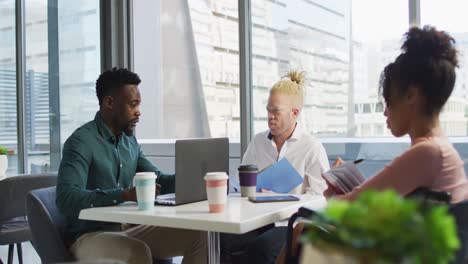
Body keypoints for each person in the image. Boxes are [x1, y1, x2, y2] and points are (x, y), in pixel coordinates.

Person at [276, 25, 468, 264]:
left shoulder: (427, 153)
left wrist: (334, 193)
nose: (385, 112)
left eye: (388, 101)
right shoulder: (440, 149)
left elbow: (349, 208)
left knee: (300, 229)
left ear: (411, 96)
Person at [56, 68, 207, 264]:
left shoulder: (130, 143)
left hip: (126, 229)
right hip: (87, 236)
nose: (138, 111)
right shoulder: (81, 142)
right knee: (136, 252)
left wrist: (196, 181)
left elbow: (158, 180)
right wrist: (123, 195)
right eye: (132, 104)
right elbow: (66, 198)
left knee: (200, 235)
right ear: (110, 102)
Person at [221, 71, 330, 264]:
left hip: (290, 225)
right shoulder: (258, 143)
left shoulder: (311, 147)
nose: (270, 117)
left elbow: (320, 200)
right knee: (224, 239)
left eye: (276, 111)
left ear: (295, 113)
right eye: (268, 110)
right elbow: (242, 184)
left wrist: (284, 200)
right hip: (256, 220)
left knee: (262, 247)